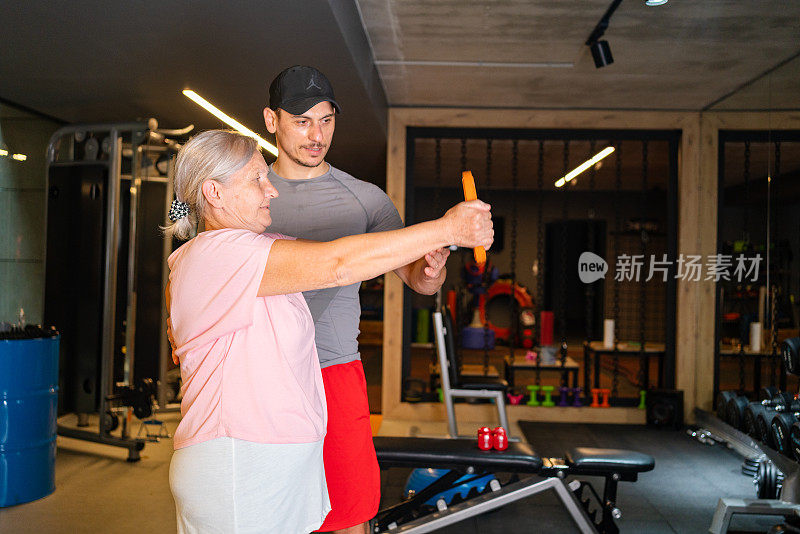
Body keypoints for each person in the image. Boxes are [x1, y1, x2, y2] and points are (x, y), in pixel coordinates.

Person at [165, 129, 493, 534]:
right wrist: (447, 228)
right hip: (238, 464)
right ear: (213, 192)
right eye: (257, 180)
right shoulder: (215, 256)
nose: (272, 191)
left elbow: (351, 254)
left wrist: (425, 257)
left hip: (272, 462)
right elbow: (337, 262)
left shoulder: (257, 248)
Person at [262, 66, 449, 533]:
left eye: (325, 120)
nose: (316, 134)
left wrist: (431, 269)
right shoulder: (248, 198)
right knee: (267, 512)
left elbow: (416, 279)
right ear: (271, 121)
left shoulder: (365, 200)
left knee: (349, 512)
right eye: (302, 120)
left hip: (335, 372)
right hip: (262, 373)